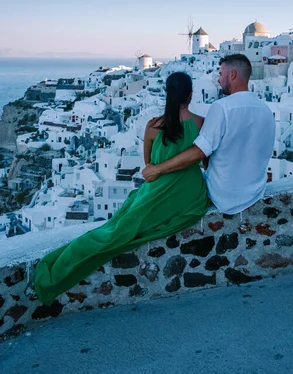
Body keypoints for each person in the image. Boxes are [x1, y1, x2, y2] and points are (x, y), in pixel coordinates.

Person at [34, 72, 210, 306]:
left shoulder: (153, 126)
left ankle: (53, 273)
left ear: (167, 94)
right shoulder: (201, 123)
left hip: (157, 193)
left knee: (113, 233)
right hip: (192, 196)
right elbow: (205, 162)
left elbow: (149, 166)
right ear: (190, 94)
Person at [143, 54, 275, 214]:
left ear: (232, 75)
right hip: (255, 193)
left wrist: (157, 170)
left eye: (220, 74)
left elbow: (199, 152)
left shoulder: (222, 107)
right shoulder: (266, 110)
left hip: (223, 196)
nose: (218, 80)